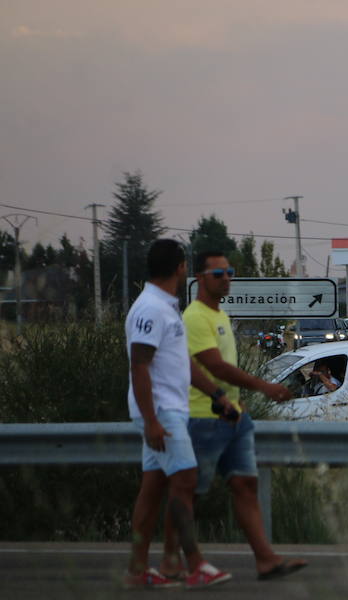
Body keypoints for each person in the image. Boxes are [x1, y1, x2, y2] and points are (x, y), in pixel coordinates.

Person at [161, 250, 308, 581]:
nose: (227, 278)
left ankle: (266, 560)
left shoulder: (221, 315)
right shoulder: (195, 317)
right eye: (218, 274)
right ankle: (172, 561)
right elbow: (214, 366)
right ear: (200, 278)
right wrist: (264, 386)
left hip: (235, 418)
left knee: (244, 484)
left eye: (230, 272)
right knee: (188, 493)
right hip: (202, 418)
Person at [124, 239, 233, 590]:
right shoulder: (150, 309)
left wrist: (216, 393)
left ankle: (138, 570)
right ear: (181, 268)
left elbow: (180, 362)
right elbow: (139, 366)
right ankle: (196, 565)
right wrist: (152, 420)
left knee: (153, 489)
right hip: (161, 413)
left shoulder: (166, 308)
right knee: (185, 480)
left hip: (168, 410)